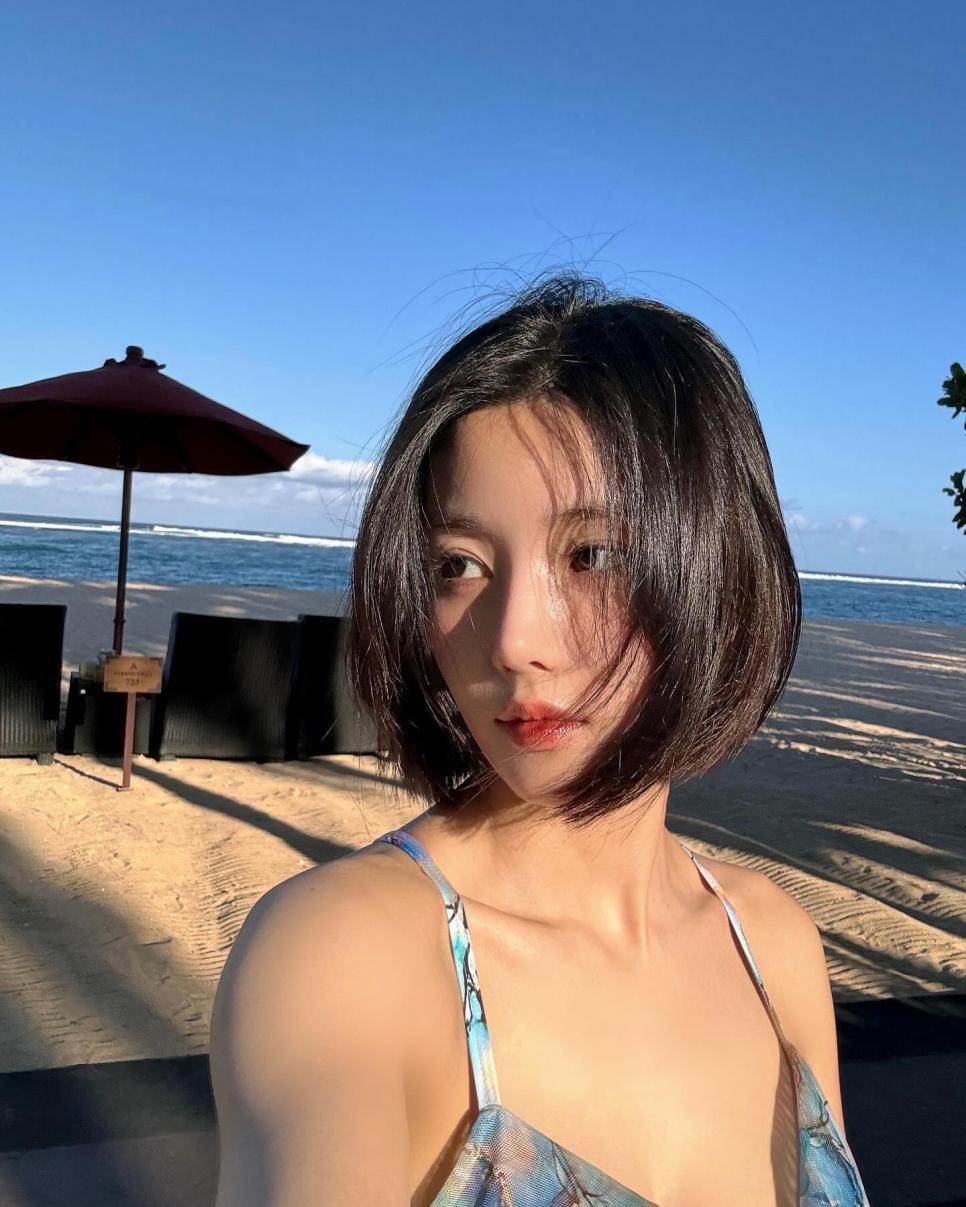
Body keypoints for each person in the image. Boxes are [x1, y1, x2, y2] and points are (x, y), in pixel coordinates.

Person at [209, 275, 871, 1206]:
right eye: (459, 564)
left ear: (719, 570)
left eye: (592, 554)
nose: (514, 640)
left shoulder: (773, 944)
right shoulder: (345, 956)